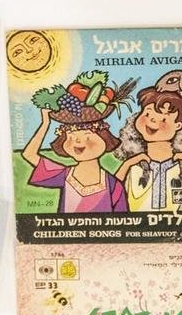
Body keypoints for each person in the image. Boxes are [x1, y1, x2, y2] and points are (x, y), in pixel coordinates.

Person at [22, 71, 136, 213]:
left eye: (87, 136)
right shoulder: (64, 175)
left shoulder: (114, 185)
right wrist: (45, 123)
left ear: (104, 138)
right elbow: (29, 154)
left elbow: (122, 220)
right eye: (70, 136)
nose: (77, 142)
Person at [115, 70, 182, 210]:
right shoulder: (135, 164)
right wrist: (127, 164)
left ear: (178, 126)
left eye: (163, 118)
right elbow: (111, 196)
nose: (152, 121)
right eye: (147, 114)